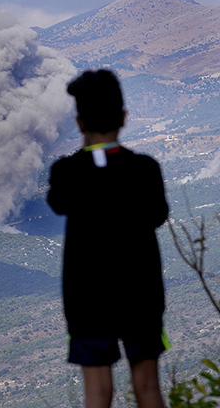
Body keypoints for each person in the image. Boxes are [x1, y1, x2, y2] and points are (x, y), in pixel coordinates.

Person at [47, 69, 169, 408]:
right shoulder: (145, 169)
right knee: (148, 390)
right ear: (124, 117)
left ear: (79, 123)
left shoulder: (66, 173)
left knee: (98, 395)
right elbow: (158, 215)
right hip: (141, 296)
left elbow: (58, 202)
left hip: (87, 301)